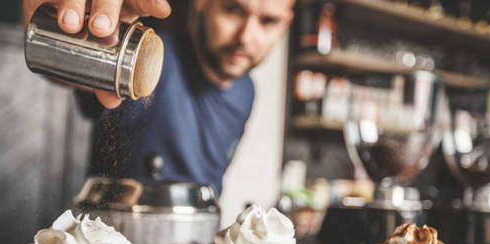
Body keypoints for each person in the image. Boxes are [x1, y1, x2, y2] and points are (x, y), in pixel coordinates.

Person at [23, 0, 295, 195]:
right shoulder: (151, 61)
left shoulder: (245, 91)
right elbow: (69, 73)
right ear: (202, 3)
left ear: (286, 23)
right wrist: (52, 26)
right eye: (233, 10)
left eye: (267, 21)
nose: (246, 37)